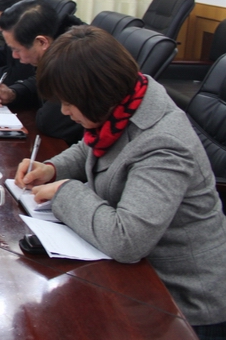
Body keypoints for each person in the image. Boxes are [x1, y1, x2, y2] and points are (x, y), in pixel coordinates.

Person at [16, 25, 226, 338]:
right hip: (133, 277)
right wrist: (52, 168)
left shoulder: (163, 143)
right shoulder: (126, 102)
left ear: (97, 94)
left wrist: (65, 191)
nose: (64, 111)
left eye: (69, 102)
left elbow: (127, 241)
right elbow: (91, 147)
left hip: (181, 302)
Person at [0, 0, 85, 144]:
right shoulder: (57, 43)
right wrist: (13, 93)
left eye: (16, 49)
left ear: (42, 42)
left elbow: (50, 122)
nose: (14, 56)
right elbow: (38, 81)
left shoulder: (74, 59)